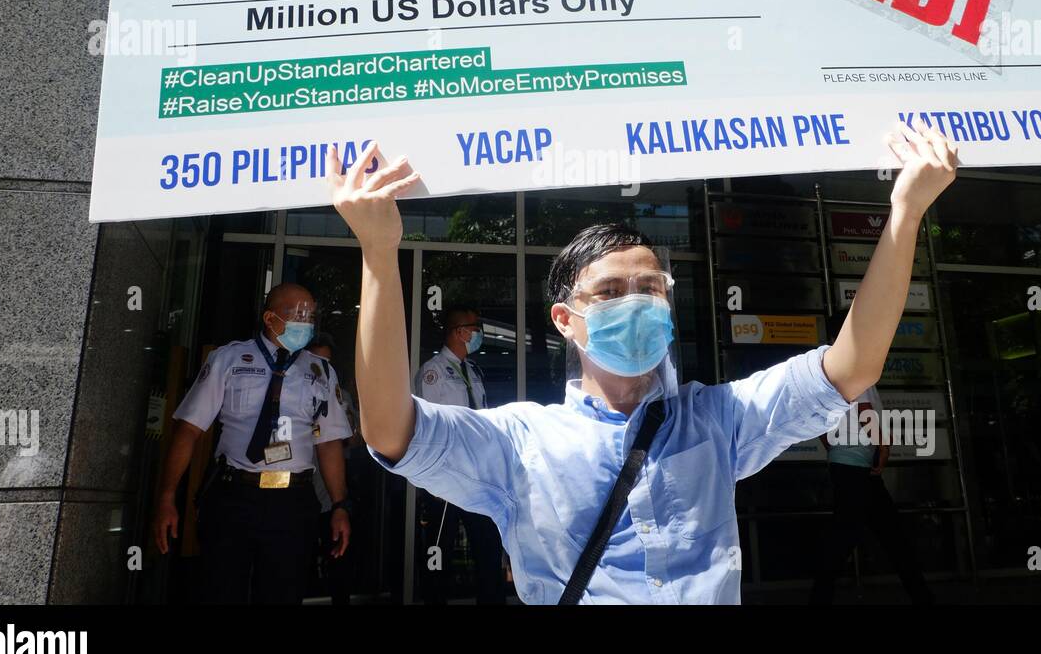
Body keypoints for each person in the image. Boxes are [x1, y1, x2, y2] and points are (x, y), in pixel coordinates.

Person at [329, 118, 958, 604]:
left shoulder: (718, 418)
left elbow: (852, 366)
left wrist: (906, 214)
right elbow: (390, 429)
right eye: (608, 293)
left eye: (650, 289)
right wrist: (379, 256)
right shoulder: (523, 443)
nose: (634, 305)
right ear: (564, 321)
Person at [152, 283, 353, 604]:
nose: (307, 322)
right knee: (220, 589)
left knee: (283, 593)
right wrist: (166, 497)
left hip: (293, 503)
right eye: (298, 314)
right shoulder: (228, 359)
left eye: (311, 315)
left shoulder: (321, 371)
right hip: (234, 498)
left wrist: (340, 506)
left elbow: (328, 443)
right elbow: (189, 431)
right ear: (270, 318)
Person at [810, 372, 933, 604]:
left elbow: (817, 421)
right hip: (857, 467)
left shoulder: (827, 373)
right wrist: (883, 446)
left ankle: (923, 597)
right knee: (879, 537)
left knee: (882, 536)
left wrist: (836, 448)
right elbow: (864, 407)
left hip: (848, 465)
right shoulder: (854, 368)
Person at [414, 305, 506, 604]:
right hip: (446, 476)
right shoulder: (433, 372)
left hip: (478, 475)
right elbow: (428, 426)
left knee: (487, 549)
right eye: (475, 327)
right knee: (438, 553)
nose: (478, 333)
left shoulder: (474, 370)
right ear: (459, 332)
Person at [310, 332, 358, 605]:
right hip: (300, 488)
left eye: (327, 362)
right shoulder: (290, 391)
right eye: (316, 362)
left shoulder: (342, 396)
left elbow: (352, 437)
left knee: (338, 552)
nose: (321, 369)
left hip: (333, 492)